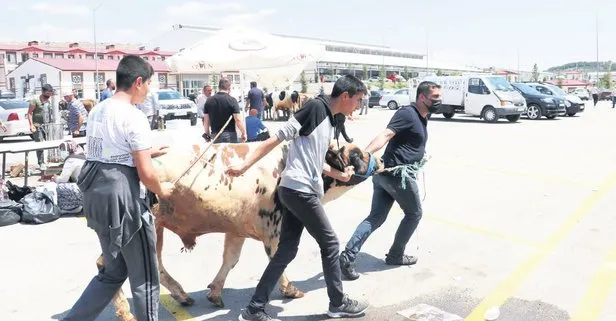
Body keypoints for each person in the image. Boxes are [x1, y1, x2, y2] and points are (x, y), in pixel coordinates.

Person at [226, 74, 370, 321]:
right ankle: (337, 303)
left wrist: (340, 175)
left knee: (287, 250)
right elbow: (277, 138)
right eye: (357, 100)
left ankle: (254, 308)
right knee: (331, 244)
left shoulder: (327, 117)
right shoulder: (315, 108)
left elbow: (315, 159)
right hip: (299, 189)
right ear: (345, 96)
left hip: (296, 189)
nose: (357, 106)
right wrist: (244, 165)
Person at [61, 55, 174, 321]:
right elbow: (146, 175)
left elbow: (108, 150)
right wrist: (163, 189)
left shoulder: (100, 108)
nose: (149, 90)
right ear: (138, 82)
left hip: (96, 194)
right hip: (123, 199)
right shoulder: (134, 117)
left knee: (113, 272)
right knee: (145, 276)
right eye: (148, 83)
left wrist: (145, 151)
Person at [339, 81, 442, 281]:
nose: (439, 101)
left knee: (376, 217)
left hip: (385, 175)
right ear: (422, 97)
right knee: (414, 213)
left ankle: (348, 256)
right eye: (435, 98)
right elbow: (386, 134)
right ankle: (395, 254)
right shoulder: (407, 113)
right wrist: (365, 154)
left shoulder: (422, 116)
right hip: (396, 175)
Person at [203, 77, 247, 143]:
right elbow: (238, 119)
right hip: (229, 134)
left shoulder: (209, 101)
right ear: (229, 88)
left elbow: (206, 121)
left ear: (219, 87)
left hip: (215, 134)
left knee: (217, 153)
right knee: (230, 153)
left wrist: (207, 134)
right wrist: (243, 132)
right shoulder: (232, 100)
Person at [27, 83, 54, 168]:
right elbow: (29, 113)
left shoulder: (51, 100)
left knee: (51, 143)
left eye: (50, 93)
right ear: (42, 92)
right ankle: (41, 162)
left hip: (48, 125)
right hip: (37, 125)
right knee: (40, 144)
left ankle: (52, 160)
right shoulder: (35, 100)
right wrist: (31, 125)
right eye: (47, 94)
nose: (48, 95)